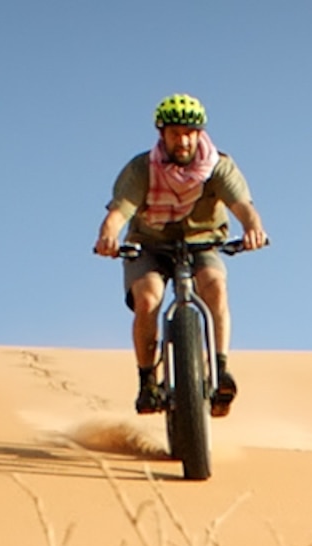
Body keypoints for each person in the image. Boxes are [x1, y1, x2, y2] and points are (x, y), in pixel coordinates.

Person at [93, 93, 270, 416]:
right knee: (148, 300)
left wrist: (253, 229)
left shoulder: (218, 166)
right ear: (162, 134)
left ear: (200, 134)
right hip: (150, 244)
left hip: (202, 242)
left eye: (190, 132)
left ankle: (220, 368)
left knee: (214, 286)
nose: (183, 140)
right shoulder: (142, 169)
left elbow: (243, 205)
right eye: (175, 132)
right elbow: (120, 210)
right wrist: (108, 234)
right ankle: (148, 380)